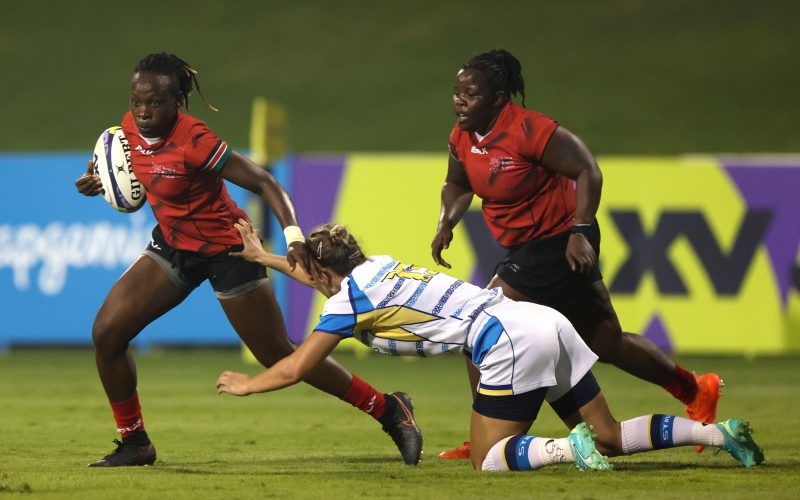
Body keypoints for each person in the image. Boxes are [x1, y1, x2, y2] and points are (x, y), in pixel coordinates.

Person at [74, 53, 421, 467]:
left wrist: (293, 238)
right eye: (137, 102)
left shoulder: (196, 141)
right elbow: (126, 175)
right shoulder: (127, 130)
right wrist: (102, 182)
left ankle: (388, 409)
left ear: (177, 103)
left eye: (155, 104)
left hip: (228, 251)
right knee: (108, 333)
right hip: (174, 247)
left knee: (278, 355)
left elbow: (265, 183)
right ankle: (135, 443)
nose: (144, 112)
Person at [216, 220, 764, 472]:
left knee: (489, 460)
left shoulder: (344, 303)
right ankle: (718, 435)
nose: (309, 281)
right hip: (539, 319)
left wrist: (248, 384)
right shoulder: (376, 265)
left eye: (311, 274)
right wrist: (263, 258)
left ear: (325, 274)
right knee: (612, 436)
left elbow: (295, 367)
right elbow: (319, 274)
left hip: (505, 340)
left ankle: (562, 449)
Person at [431, 49, 721, 459]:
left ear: (498, 98)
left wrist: (581, 230)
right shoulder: (462, 136)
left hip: (561, 241)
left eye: (470, 94)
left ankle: (488, 437)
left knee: (484, 321)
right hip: (531, 248)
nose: (459, 101)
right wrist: (447, 221)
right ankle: (694, 387)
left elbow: (588, 170)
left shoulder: (530, 129)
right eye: (456, 92)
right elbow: (457, 185)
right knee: (606, 341)